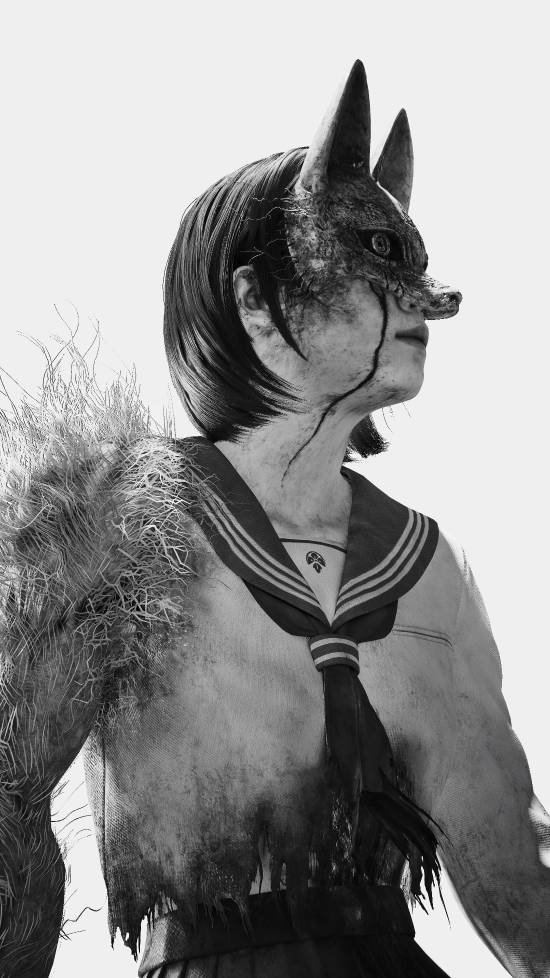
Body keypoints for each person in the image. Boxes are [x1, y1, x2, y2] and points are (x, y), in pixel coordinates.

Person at [1, 60, 549, 978]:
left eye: (411, 261)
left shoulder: (428, 568)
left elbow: (513, 883)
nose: (421, 299)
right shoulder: (114, 521)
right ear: (255, 302)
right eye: (372, 256)